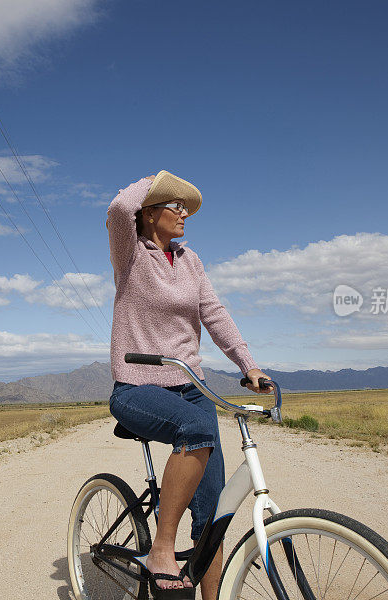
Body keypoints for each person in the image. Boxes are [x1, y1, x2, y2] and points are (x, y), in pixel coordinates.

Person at [106, 170, 271, 599]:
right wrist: (157, 179)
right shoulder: (130, 255)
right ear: (149, 214)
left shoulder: (191, 260)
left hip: (190, 386)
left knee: (212, 513)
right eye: (174, 205)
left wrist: (249, 365)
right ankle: (162, 547)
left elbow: (214, 314)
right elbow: (119, 208)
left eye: (185, 205)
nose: (184, 212)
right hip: (137, 386)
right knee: (195, 431)